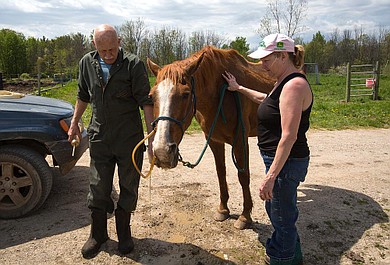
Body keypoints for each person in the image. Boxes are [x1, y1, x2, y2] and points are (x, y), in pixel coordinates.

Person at [223, 33, 312, 265]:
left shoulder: (294, 85)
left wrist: (271, 176)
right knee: (280, 211)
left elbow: (289, 136)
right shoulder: (283, 82)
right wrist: (239, 87)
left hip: (286, 162)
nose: (261, 65)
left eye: (266, 60)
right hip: (279, 160)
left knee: (281, 216)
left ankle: (282, 259)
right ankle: (294, 255)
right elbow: (267, 100)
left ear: (283, 56)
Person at [68, 24, 154, 259]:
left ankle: (124, 234)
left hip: (129, 140)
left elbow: (146, 102)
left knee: (128, 187)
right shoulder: (86, 63)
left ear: (119, 41)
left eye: (112, 49)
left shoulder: (133, 64)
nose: (108, 54)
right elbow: (82, 96)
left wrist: (152, 135)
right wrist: (75, 123)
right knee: (98, 188)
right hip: (100, 137)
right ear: (94, 45)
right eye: (103, 50)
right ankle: (97, 235)